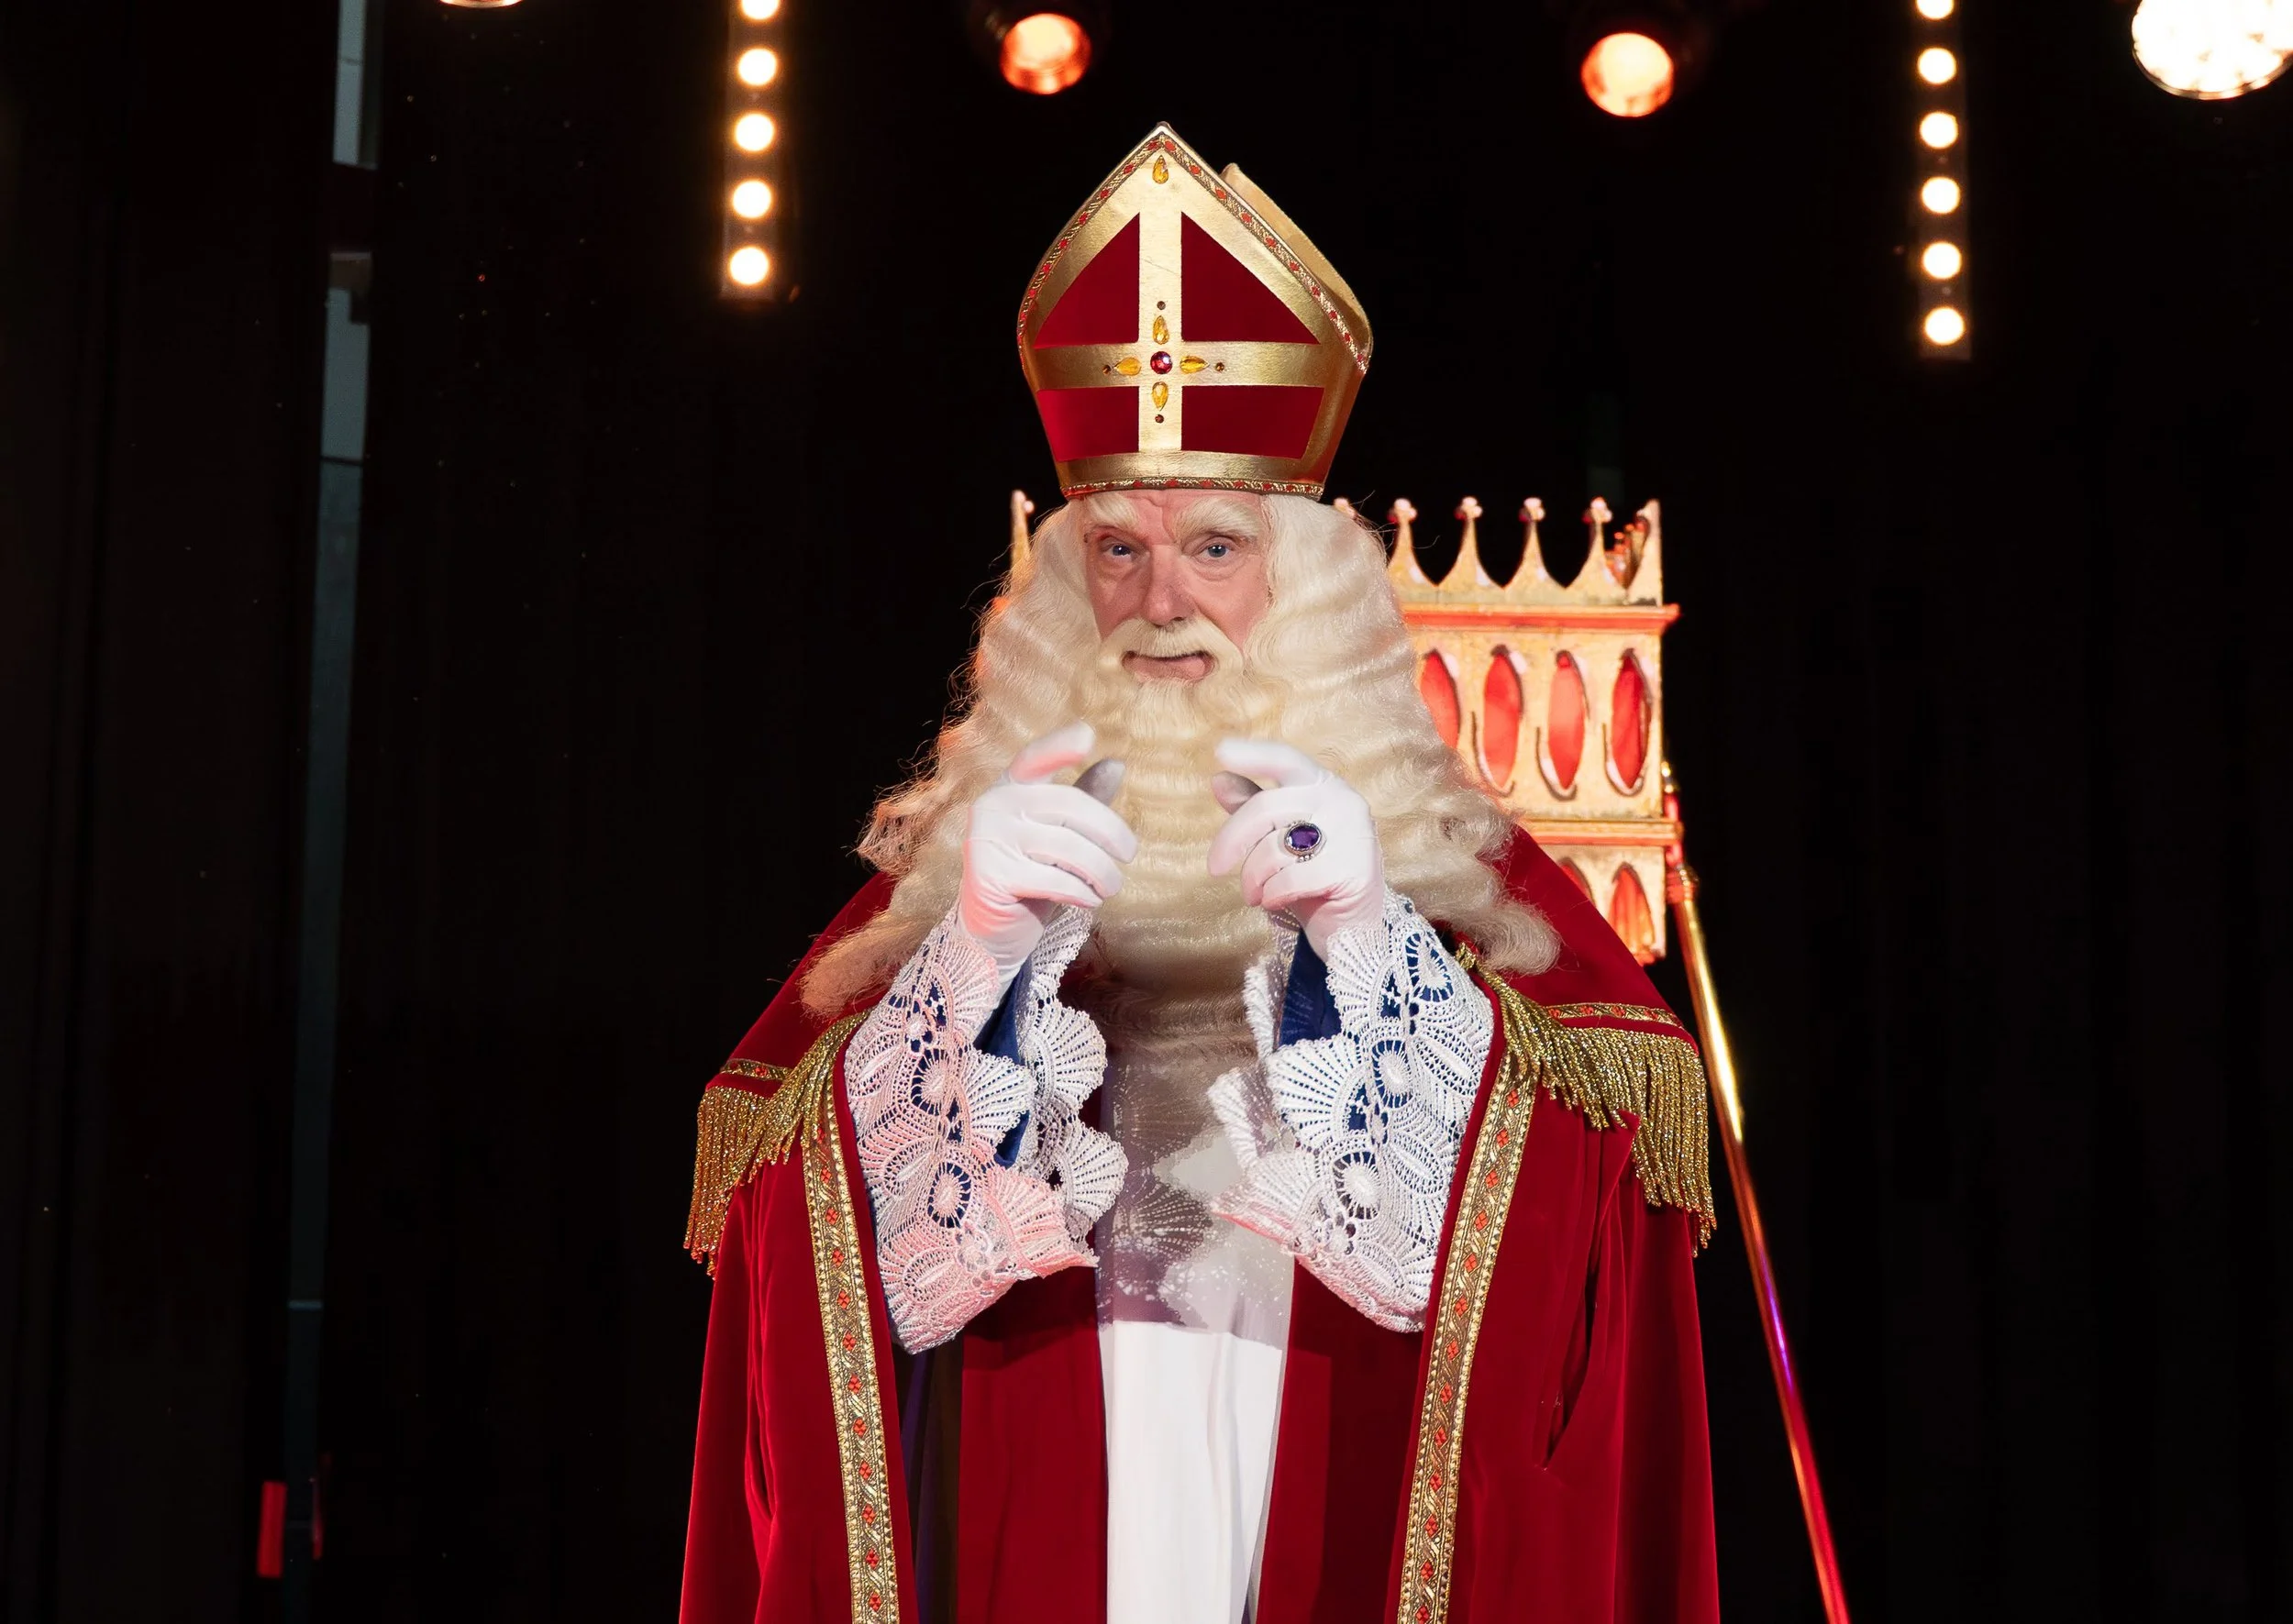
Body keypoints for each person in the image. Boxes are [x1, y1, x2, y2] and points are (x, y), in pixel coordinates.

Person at [679, 123, 1720, 1624]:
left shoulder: (1452, 890)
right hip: (1044, 1466)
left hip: (1325, 1463)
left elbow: (1594, 1248)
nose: (1160, 599)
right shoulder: (973, 884)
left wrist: (1374, 946)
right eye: (1116, 551)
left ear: (1305, 585)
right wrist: (970, 960)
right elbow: (792, 1256)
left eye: (1216, 545)